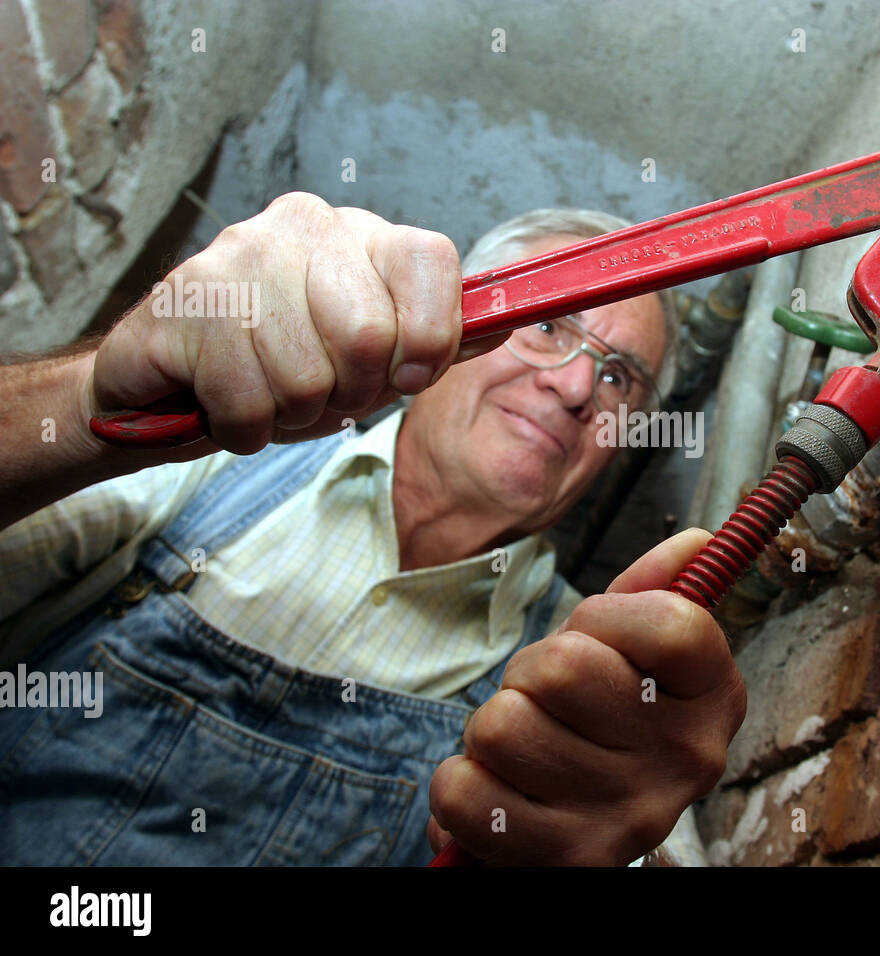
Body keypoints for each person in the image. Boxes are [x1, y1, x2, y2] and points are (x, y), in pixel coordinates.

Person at [0, 193, 746, 866]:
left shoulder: (590, 660)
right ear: (444, 331)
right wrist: (87, 404)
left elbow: (652, 837)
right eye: (547, 323)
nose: (577, 385)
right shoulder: (213, 470)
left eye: (619, 376)